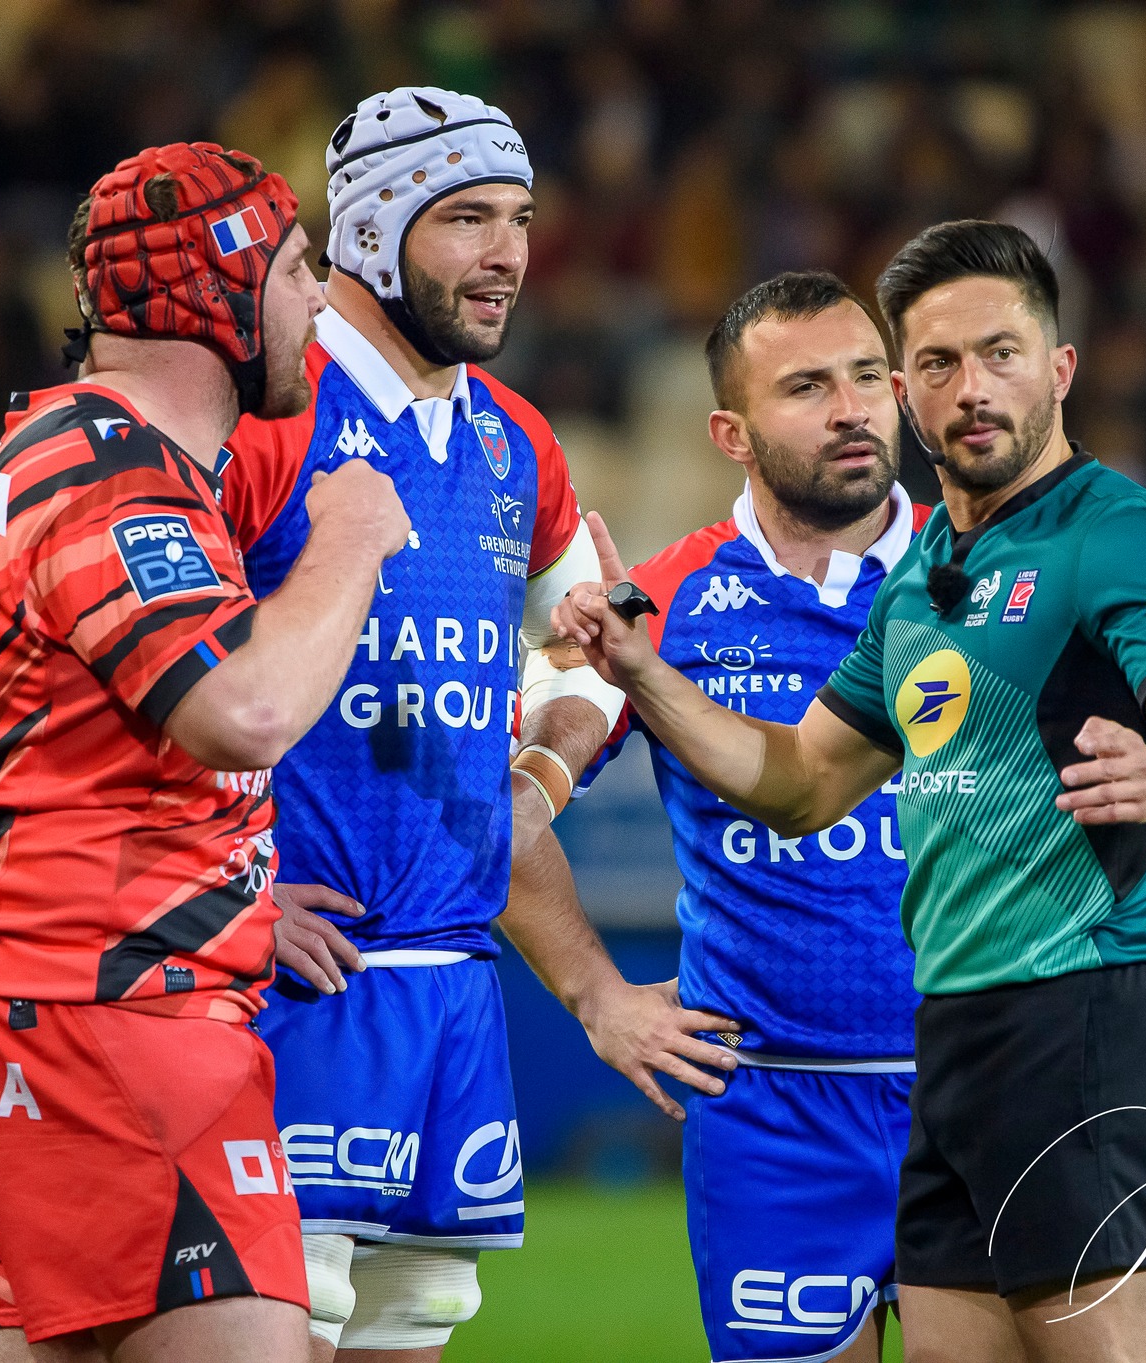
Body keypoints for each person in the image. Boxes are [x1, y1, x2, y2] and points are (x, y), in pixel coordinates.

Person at [555, 220, 1146, 1363]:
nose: (966, 389)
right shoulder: (924, 583)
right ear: (912, 390)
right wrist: (646, 677)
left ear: (1059, 369)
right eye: (937, 363)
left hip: (1073, 1027)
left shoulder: (1119, 533)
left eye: (998, 354)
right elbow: (799, 783)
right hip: (929, 1055)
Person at [216, 87, 731, 1362]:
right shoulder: (261, 422)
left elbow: (602, 646)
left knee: (412, 1326)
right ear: (369, 231)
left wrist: (541, 773)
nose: (507, 253)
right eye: (465, 219)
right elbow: (114, 680)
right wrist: (219, 899)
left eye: (520, 219)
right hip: (282, 992)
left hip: (450, 993)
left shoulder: (514, 442)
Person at [0, 142, 409, 1363]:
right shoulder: (121, 481)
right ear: (216, 290)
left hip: (12, 1007)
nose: (319, 298)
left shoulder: (34, 457)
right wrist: (348, 540)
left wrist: (205, 878)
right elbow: (243, 711)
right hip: (111, 1020)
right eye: (295, 267)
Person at [577, 270, 926, 1363]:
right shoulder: (658, 598)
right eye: (807, 386)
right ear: (730, 433)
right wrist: (595, 995)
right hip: (770, 1112)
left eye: (867, 376)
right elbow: (492, 801)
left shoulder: (995, 578)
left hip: (986, 1089)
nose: (851, 408)